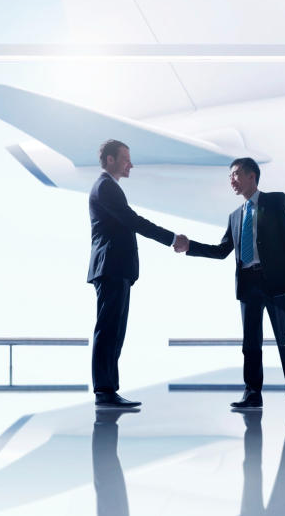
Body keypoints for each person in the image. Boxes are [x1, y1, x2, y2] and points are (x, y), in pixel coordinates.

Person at [178, 158, 285, 410]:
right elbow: (222, 250)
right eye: (230, 176)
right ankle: (252, 395)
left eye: (236, 174)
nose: (232, 180)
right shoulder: (234, 216)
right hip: (248, 284)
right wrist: (190, 246)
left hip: (276, 281)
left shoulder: (275, 201)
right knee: (250, 344)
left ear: (252, 176)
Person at [88, 139, 189, 408]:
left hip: (117, 269)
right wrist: (172, 238)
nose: (130, 165)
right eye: (125, 159)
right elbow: (134, 222)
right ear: (110, 159)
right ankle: (104, 391)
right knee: (108, 330)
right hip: (111, 268)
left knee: (115, 331)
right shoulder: (105, 187)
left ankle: (109, 390)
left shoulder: (109, 187)